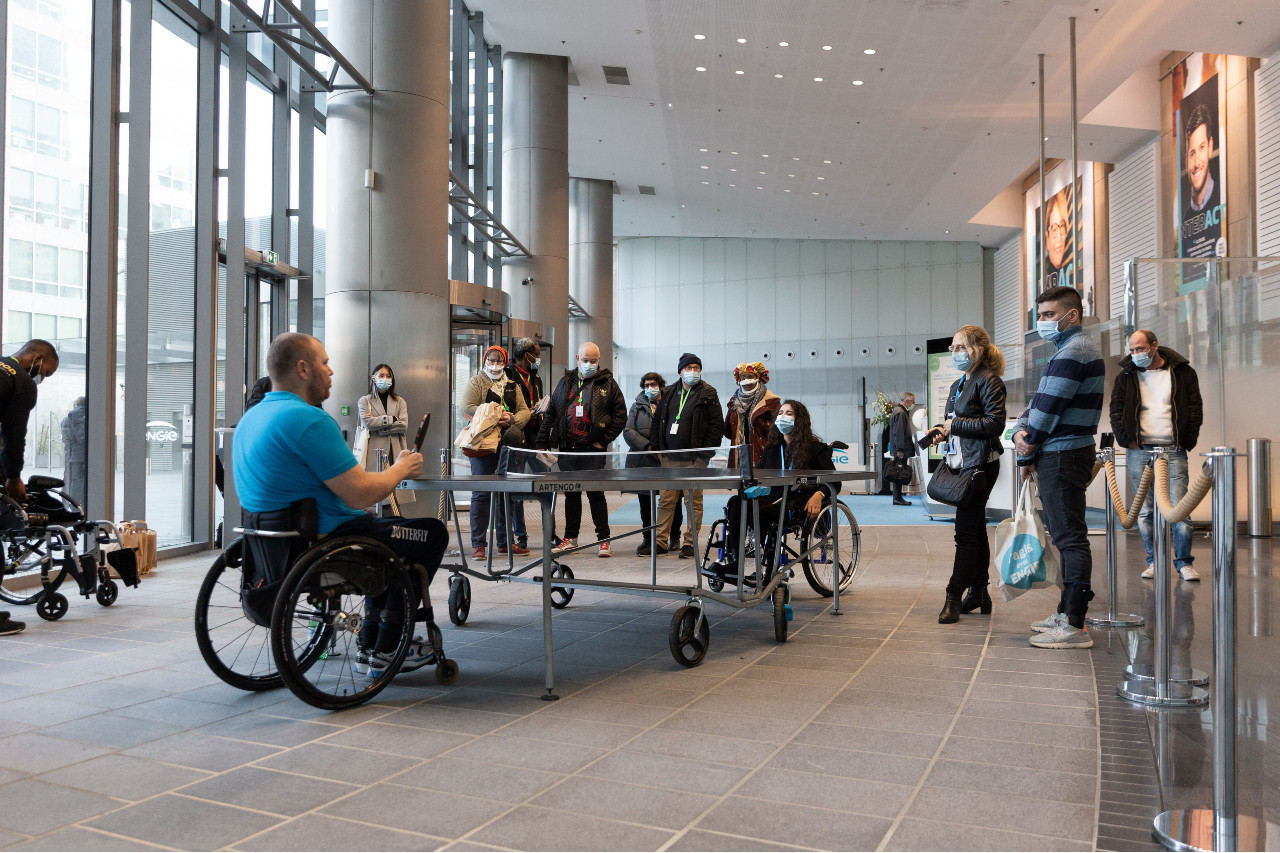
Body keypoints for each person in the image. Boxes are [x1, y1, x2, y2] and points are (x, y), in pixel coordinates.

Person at [234, 333, 448, 674]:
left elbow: (301, 485)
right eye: (325, 363)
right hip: (326, 541)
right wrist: (401, 468)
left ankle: (372, 640)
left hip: (273, 539)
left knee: (390, 532)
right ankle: (390, 644)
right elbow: (361, 492)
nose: (331, 371)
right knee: (431, 533)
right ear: (303, 369)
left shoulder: (250, 420)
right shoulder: (309, 420)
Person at [1014, 285, 1106, 649]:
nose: (1043, 322)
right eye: (1040, 315)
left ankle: (1074, 624)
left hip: (1063, 455)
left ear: (1072, 316)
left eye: (1050, 315)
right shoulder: (1066, 351)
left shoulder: (1076, 351)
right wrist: (1025, 429)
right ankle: (1066, 610)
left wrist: (1026, 441)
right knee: (1065, 534)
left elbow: (1048, 409)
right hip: (1059, 453)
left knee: (1070, 538)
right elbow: (1040, 401)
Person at [1109, 329, 1204, 582]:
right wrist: (1125, 440)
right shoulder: (1126, 376)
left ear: (1154, 345)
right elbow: (1116, 410)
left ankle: (1184, 562)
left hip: (1173, 448)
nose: (1136, 354)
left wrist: (1187, 440)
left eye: (1140, 348)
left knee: (1180, 507)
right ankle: (1153, 560)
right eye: (1132, 350)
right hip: (1138, 449)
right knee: (1144, 510)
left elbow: (1195, 407)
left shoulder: (1183, 372)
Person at [932, 326, 1007, 624]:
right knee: (975, 529)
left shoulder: (989, 381)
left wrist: (955, 427)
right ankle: (978, 593)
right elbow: (955, 422)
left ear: (976, 349)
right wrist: (941, 431)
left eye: (959, 347)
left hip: (981, 466)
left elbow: (994, 424)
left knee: (964, 531)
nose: (954, 352)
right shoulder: (958, 383)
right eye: (953, 347)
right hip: (962, 462)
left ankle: (953, 595)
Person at [709, 400, 834, 578]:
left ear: (800, 420)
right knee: (737, 503)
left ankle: (770, 568)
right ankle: (736, 563)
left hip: (797, 502)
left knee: (760, 511)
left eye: (789, 413)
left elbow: (834, 481)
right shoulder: (772, 449)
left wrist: (819, 494)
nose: (783, 417)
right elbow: (759, 477)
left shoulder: (816, 449)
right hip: (772, 497)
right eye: (781, 413)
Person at [537, 342, 626, 557]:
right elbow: (551, 413)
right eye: (585, 360)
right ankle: (571, 538)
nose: (589, 364)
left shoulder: (608, 384)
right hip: (568, 449)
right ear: (577, 358)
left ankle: (604, 540)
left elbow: (620, 416)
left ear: (598, 360)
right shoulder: (565, 382)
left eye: (593, 360)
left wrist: (603, 440)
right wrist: (542, 441)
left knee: (596, 494)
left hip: (593, 450)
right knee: (571, 495)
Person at [0, 339, 59, 636]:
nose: (42, 378)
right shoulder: (21, 381)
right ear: (35, 358)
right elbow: (14, 435)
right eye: (45, 372)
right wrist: (13, 477)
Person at [646, 352, 724, 558]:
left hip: (695, 460)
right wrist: (659, 451)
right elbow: (657, 423)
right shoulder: (669, 392)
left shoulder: (708, 393)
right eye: (688, 368)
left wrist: (704, 457)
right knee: (666, 501)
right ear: (680, 371)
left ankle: (690, 543)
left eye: (696, 368)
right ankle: (660, 541)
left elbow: (716, 428)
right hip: (669, 459)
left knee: (693, 503)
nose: (692, 372)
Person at [463, 345, 531, 559]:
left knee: (507, 494)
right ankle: (479, 544)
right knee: (481, 493)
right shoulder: (476, 382)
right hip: (483, 444)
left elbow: (524, 411)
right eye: (491, 360)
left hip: (508, 445)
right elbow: (466, 407)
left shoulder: (512, 385)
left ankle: (505, 542)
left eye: (499, 361)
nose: (495, 364)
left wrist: (511, 419)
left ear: (505, 362)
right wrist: (494, 414)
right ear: (485, 361)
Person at [623, 372, 681, 555]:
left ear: (661, 385)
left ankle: (674, 536)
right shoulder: (636, 407)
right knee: (645, 503)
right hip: (643, 461)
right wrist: (647, 446)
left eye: (653, 384)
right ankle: (648, 538)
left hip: (667, 462)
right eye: (646, 385)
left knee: (672, 501)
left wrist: (663, 448)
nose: (650, 388)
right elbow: (628, 431)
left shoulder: (672, 404)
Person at [357, 364, 415, 517]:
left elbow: (403, 425)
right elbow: (367, 423)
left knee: (395, 497)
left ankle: (393, 528)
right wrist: (391, 419)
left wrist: (380, 427)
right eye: (381, 375)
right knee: (376, 496)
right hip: (374, 454)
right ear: (373, 378)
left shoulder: (399, 401)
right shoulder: (365, 401)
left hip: (395, 452)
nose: (385, 379)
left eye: (388, 376)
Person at [506, 337, 546, 552]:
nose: (538, 358)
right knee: (517, 487)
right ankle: (520, 535)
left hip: (536, 436)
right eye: (536, 354)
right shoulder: (508, 375)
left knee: (547, 483)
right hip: (517, 437)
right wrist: (524, 414)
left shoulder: (536, 377)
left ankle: (550, 533)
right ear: (526, 355)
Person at [724, 362, 780, 470]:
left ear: (758, 378)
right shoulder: (734, 403)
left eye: (750, 376)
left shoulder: (771, 402)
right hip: (740, 459)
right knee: (742, 486)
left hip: (764, 458)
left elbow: (777, 434)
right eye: (743, 377)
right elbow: (728, 431)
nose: (746, 381)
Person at [1182, 104, 1219, 219]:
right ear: (1186, 161)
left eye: (1202, 147)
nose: (1197, 163)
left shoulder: (1222, 200)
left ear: (1210, 147)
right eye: (1192, 153)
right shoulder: (1184, 221)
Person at [888, 391, 917, 506]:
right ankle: (897, 498)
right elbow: (898, 432)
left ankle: (898, 497)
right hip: (901, 450)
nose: (913, 404)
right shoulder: (900, 413)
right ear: (907, 401)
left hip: (900, 449)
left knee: (898, 473)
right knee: (899, 473)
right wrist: (900, 449)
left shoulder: (898, 411)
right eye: (913, 402)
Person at [60, 397, 87, 507]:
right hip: (87, 455)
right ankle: (86, 503)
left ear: (76, 404)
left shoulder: (67, 419)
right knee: (88, 480)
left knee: (75, 480)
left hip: (74, 455)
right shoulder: (90, 417)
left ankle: (73, 504)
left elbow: (65, 438)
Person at [1044, 191, 1071, 288]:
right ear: (1047, 238)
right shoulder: (1044, 283)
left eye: (1062, 226)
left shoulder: (1072, 272)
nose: (1059, 237)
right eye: (1054, 229)